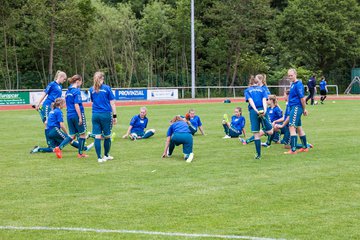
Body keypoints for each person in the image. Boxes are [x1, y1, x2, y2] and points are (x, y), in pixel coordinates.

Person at [243, 74, 273, 159]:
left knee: (256, 133)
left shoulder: (247, 90)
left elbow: (250, 100)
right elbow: (264, 100)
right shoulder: (262, 89)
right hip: (263, 109)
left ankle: (258, 155)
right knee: (270, 131)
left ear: (250, 83)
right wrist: (265, 110)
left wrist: (256, 110)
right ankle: (266, 136)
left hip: (253, 111)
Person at [89, 71, 117, 163]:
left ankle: (99, 158)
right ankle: (106, 155)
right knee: (107, 136)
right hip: (105, 114)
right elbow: (112, 103)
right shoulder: (107, 88)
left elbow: (93, 101)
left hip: (95, 115)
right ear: (101, 79)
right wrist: (115, 115)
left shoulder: (91, 89)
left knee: (97, 136)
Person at [285, 68, 309, 154]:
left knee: (291, 127)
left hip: (296, 107)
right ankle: (305, 147)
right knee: (299, 128)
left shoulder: (298, 84)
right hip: (293, 107)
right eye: (289, 76)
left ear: (295, 75)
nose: (290, 77)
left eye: (291, 75)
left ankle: (293, 149)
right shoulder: (293, 84)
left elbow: (302, 98)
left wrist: (304, 109)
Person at [65, 74, 89, 158]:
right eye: (81, 82)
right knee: (82, 134)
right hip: (76, 114)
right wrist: (80, 117)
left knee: (72, 135)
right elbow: (76, 104)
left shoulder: (68, 91)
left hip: (69, 115)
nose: (81, 84)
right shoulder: (76, 90)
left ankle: (59, 147)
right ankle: (80, 153)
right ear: (78, 81)